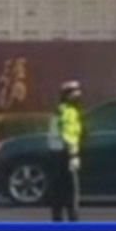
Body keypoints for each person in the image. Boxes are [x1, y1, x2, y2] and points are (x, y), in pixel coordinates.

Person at [48, 79, 85, 222]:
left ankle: (57, 221)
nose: (78, 96)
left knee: (57, 191)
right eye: (75, 93)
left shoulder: (58, 110)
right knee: (71, 192)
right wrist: (73, 155)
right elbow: (69, 136)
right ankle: (73, 223)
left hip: (55, 153)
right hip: (66, 155)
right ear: (67, 95)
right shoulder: (69, 112)